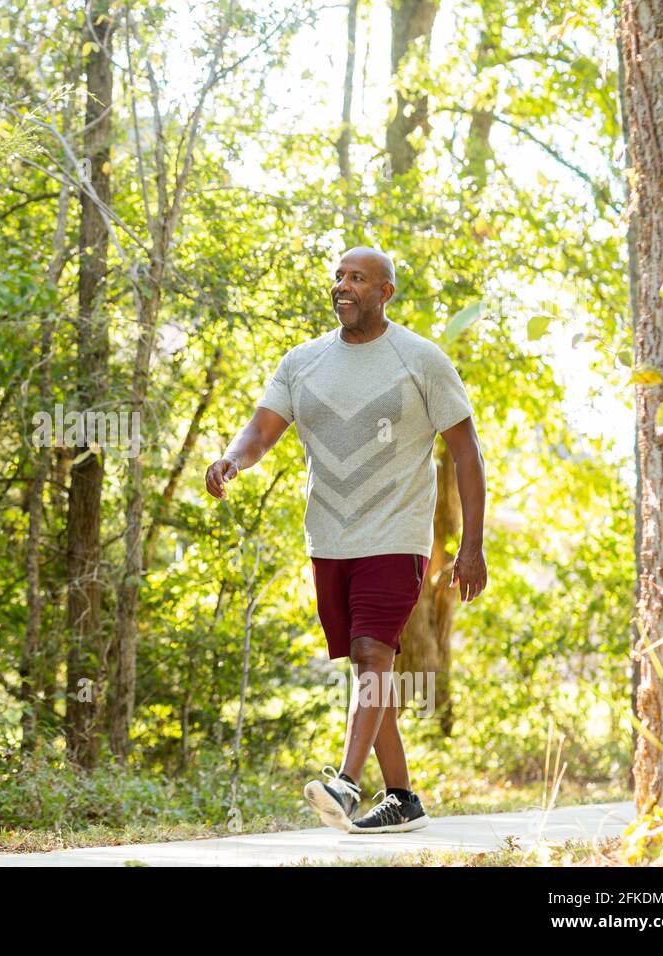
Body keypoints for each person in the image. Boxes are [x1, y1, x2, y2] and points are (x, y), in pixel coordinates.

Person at [204, 246, 487, 833]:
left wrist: (471, 547)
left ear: (385, 292)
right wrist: (232, 460)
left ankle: (347, 783)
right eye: (338, 276)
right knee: (365, 666)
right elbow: (261, 430)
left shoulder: (421, 360)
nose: (343, 286)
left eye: (357, 278)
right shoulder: (303, 362)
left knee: (371, 654)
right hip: (329, 536)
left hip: (397, 534)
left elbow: (466, 452)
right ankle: (404, 797)